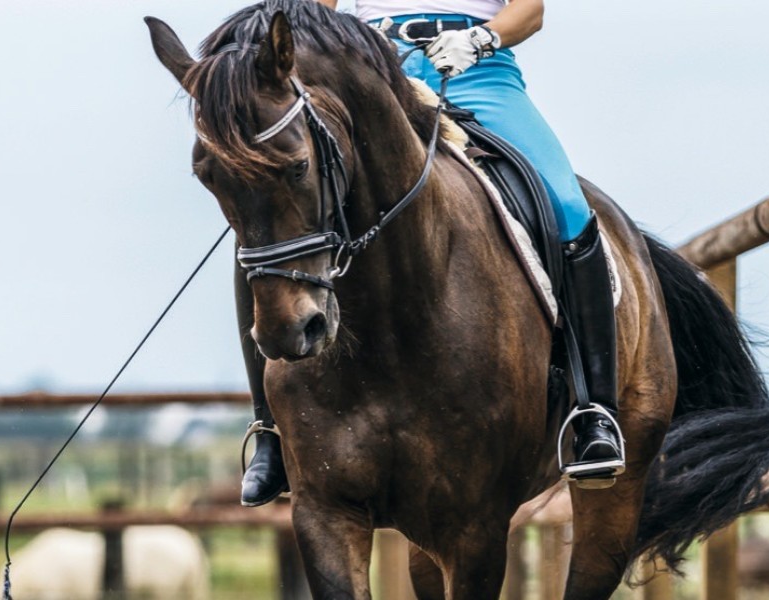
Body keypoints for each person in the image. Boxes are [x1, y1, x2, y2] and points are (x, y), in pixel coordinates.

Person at [240, 0, 625, 507]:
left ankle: (594, 410)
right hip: (360, 73)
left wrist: (482, 39)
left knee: (568, 208)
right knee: (269, 215)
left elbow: (529, 11)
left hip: (475, 71)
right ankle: (269, 427)